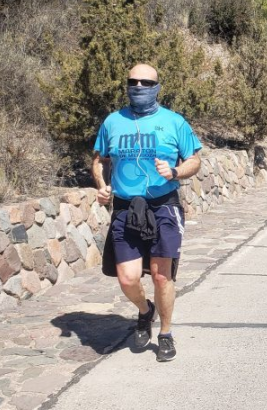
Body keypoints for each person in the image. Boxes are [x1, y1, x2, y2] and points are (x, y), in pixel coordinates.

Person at [92, 64, 202, 362]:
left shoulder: (174, 122)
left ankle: (165, 333)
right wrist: (102, 185)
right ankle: (145, 311)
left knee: (160, 277)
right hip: (126, 208)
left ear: (157, 87)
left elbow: (194, 160)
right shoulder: (113, 122)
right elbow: (100, 160)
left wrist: (176, 171)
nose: (138, 87)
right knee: (127, 278)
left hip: (163, 205)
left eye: (146, 82)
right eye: (133, 82)